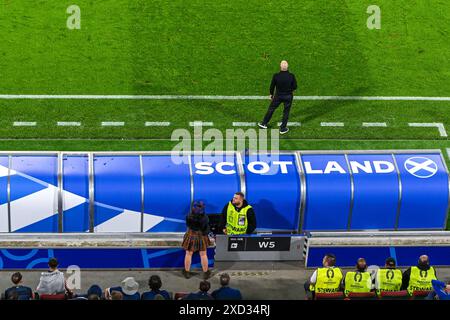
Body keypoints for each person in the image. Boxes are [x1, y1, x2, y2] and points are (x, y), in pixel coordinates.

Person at [258, 60, 297, 135]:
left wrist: (271, 94)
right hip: (288, 96)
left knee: (271, 109)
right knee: (286, 112)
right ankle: (283, 128)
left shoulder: (276, 76)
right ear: (287, 67)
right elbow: (295, 86)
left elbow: (272, 86)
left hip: (278, 96)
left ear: (280, 67)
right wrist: (291, 90)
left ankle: (264, 123)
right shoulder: (291, 76)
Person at [182, 201, 212, 280]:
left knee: (188, 253)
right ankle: (206, 272)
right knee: (203, 254)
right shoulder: (205, 218)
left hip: (191, 234)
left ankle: (187, 272)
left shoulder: (188, 216)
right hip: (201, 235)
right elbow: (205, 228)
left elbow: (188, 225)